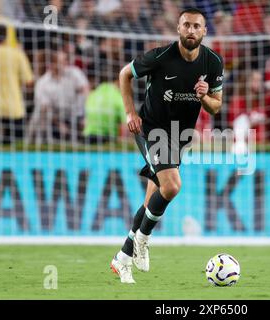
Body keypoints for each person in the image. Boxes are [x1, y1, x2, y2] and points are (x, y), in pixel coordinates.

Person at [112, 8, 223, 284]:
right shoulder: (160, 57)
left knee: (153, 198)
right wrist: (130, 114)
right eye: (186, 25)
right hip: (151, 128)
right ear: (178, 28)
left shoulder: (213, 62)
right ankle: (143, 239)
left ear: (204, 31)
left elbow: (216, 107)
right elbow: (125, 74)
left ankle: (122, 260)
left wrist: (204, 96)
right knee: (172, 186)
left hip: (180, 134)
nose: (191, 30)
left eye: (197, 26)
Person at [26, 43, 89, 144]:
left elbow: (85, 90)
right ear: (52, 64)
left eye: (65, 61)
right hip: (52, 118)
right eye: (62, 62)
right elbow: (45, 108)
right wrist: (59, 124)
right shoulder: (43, 83)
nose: (65, 64)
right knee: (39, 116)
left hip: (74, 115)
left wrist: (85, 115)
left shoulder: (74, 73)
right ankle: (38, 143)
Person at [82, 67, 127, 144]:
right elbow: (125, 125)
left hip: (87, 138)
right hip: (108, 139)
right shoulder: (118, 96)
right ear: (119, 81)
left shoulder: (93, 94)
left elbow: (85, 120)